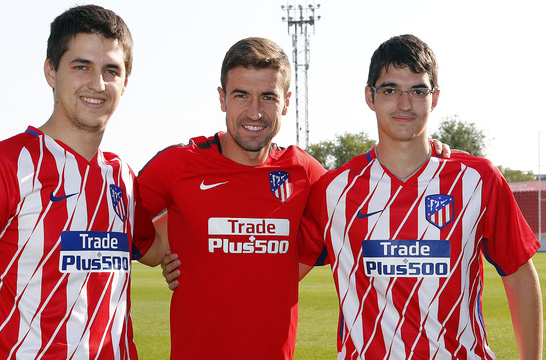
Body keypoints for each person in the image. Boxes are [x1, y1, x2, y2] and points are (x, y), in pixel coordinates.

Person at [141, 37, 451, 359]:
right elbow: (120, 221)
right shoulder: (179, 164)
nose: (255, 111)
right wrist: (161, 251)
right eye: (241, 95)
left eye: (268, 97)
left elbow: (366, 196)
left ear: (286, 102)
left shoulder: (306, 172)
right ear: (222, 98)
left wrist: (425, 151)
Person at [0, 5, 166, 360]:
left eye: (111, 70)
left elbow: (158, 251)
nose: (97, 84)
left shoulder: (122, 177)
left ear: (125, 83)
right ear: (51, 71)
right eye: (81, 66)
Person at [298, 34, 543, 359]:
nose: (404, 104)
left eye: (417, 90)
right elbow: (274, 276)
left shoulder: (477, 179)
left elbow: (519, 275)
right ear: (370, 96)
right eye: (390, 90)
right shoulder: (333, 190)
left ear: (435, 97)